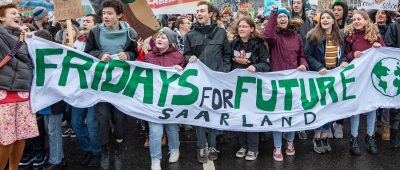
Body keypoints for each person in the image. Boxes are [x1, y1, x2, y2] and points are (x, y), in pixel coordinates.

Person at [84, 0, 138, 169]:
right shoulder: (95, 32)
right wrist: (99, 54)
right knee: (103, 118)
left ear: (119, 15)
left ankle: (119, 149)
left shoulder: (130, 33)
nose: (105, 16)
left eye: (109, 13)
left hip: (121, 84)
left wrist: (127, 56)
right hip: (102, 84)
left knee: (120, 117)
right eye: (103, 13)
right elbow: (88, 53)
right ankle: (105, 150)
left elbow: (135, 52)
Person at [183, 1, 231, 163]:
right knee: (199, 114)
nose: (199, 13)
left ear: (211, 14)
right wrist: (190, 58)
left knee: (213, 113)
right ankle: (201, 146)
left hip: (216, 81)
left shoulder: (221, 33)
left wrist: (223, 72)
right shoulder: (190, 35)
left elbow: (226, 55)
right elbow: (186, 55)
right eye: (197, 11)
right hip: (198, 82)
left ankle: (212, 145)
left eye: (202, 11)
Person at [264, 5, 308, 161]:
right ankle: (277, 147)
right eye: (280, 17)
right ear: (277, 20)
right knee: (278, 116)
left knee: (292, 115)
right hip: (277, 83)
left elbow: (302, 55)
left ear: (289, 19)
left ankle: (290, 142)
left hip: (293, 82)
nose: (282, 19)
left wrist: (303, 64)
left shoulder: (297, 37)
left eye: (285, 16)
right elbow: (267, 35)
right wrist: (273, 13)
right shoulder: (274, 36)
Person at [0, 5, 39, 170]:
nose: (18, 16)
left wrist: (33, 42)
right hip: (3, 91)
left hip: (23, 91)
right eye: (13, 13)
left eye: (18, 14)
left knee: (20, 137)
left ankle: (14, 168)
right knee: (5, 140)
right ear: (1, 18)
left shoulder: (26, 36)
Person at [305, 10, 349, 154]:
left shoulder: (340, 36)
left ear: (333, 21)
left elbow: (343, 54)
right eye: (322, 18)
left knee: (331, 108)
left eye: (328, 18)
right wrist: (319, 67)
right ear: (319, 21)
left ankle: (325, 136)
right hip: (320, 77)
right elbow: (308, 55)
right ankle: (317, 136)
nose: (325, 20)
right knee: (321, 108)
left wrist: (343, 61)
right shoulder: (313, 36)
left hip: (335, 77)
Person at [144, 27, 185, 170]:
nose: (159, 39)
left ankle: (175, 149)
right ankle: (155, 159)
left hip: (171, 100)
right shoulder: (148, 56)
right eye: (158, 37)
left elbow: (186, 78)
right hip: (154, 100)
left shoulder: (178, 56)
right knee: (155, 131)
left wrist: (181, 70)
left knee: (172, 127)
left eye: (163, 37)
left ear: (171, 41)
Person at [345, 10, 384, 156]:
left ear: (366, 20)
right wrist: (352, 55)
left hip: (371, 78)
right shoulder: (349, 36)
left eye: (359, 19)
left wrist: (379, 48)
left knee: (371, 107)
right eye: (354, 19)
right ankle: (354, 138)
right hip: (356, 78)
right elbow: (345, 54)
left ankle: (370, 137)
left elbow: (384, 54)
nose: (356, 21)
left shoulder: (375, 36)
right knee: (356, 107)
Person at [231, 17, 271, 161]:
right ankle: (243, 145)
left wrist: (256, 67)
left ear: (252, 29)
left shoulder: (259, 45)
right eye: (240, 26)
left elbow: (266, 65)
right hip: (237, 87)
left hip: (253, 88)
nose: (241, 29)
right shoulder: (233, 43)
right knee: (240, 117)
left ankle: (253, 148)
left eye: (245, 26)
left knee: (250, 117)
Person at [68, 14, 102, 168]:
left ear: (96, 25)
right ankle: (88, 148)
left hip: (95, 91)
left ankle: (97, 152)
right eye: (83, 21)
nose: (84, 24)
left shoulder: (101, 42)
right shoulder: (78, 41)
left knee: (92, 126)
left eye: (88, 21)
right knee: (76, 123)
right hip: (79, 90)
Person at [385, 12, 400, 149]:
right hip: (398, 69)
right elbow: (389, 46)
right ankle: (394, 131)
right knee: (397, 103)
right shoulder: (395, 27)